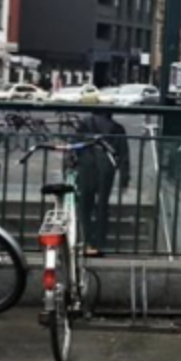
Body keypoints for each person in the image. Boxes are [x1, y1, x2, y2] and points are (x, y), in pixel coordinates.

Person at [74, 109, 130, 256]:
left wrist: (72, 163)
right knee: (102, 205)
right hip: (106, 168)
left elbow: (75, 145)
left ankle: (86, 239)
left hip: (86, 165)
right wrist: (124, 177)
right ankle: (99, 242)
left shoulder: (85, 123)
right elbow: (123, 154)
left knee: (85, 204)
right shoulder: (117, 128)